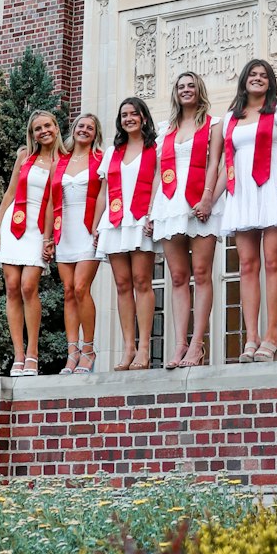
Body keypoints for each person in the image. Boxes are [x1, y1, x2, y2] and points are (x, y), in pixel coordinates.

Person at [219, 59, 277, 363]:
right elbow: (227, 162)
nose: (258, 79)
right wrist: (211, 199)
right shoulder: (231, 119)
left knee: (273, 261)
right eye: (253, 74)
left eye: (264, 75)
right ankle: (250, 338)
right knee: (247, 265)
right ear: (244, 80)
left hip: (272, 185)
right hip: (243, 193)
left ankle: (271, 336)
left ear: (270, 81)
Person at [151, 71, 223, 368]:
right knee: (178, 277)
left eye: (191, 85)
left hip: (199, 201)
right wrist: (150, 212)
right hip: (169, 203)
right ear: (175, 93)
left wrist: (208, 197)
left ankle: (197, 344)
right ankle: (179, 344)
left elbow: (216, 163)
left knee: (202, 272)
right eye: (180, 86)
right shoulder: (165, 129)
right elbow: (158, 173)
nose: (186, 90)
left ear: (199, 90)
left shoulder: (213, 124)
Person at [0, 109, 65, 378]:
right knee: (11, 288)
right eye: (37, 129)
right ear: (31, 134)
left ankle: (33, 353)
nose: (43, 131)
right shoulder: (25, 157)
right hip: (14, 222)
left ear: (56, 128)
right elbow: (10, 192)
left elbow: (56, 203)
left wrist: (49, 237)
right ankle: (18, 356)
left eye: (47, 126)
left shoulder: (64, 161)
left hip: (38, 228)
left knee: (28, 286)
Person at [96, 97, 159, 370]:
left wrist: (154, 214)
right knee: (122, 285)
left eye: (134, 113)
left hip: (141, 218)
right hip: (115, 220)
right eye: (124, 115)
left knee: (142, 281)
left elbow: (159, 181)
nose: (129, 118)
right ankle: (128, 349)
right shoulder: (113, 151)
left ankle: (145, 348)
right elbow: (103, 191)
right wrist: (98, 225)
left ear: (144, 117)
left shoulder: (155, 148)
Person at [42, 112, 104, 376]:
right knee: (68, 290)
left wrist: (100, 226)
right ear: (74, 129)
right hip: (64, 230)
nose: (84, 130)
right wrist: (47, 237)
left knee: (81, 288)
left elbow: (105, 194)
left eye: (90, 127)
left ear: (95, 133)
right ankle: (72, 353)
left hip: (88, 228)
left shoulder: (100, 160)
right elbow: (50, 202)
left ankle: (88, 350)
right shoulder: (61, 161)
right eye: (81, 126)